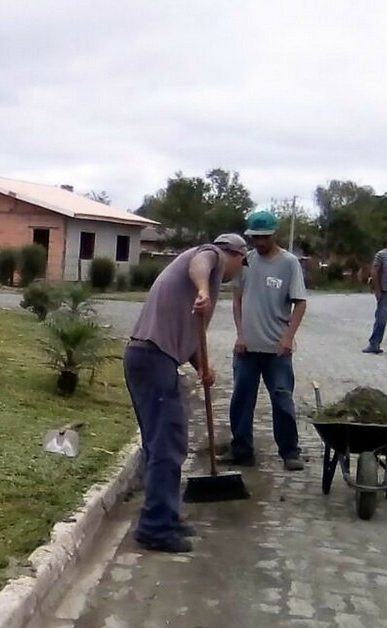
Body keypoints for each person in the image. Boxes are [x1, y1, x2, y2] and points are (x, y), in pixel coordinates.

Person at [123, 233, 248, 553]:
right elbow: (202, 260)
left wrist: (201, 366)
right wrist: (205, 289)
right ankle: (155, 528)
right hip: (153, 358)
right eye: (242, 262)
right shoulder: (211, 258)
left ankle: (165, 515)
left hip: (148, 357)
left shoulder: (198, 277)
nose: (238, 269)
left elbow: (190, 335)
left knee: (160, 445)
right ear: (234, 254)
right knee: (168, 444)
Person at [219, 210, 309, 472]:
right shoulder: (245, 262)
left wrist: (288, 338)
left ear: (274, 234)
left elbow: (300, 303)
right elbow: (237, 299)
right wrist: (240, 334)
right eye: (254, 237)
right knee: (241, 400)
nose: (258, 242)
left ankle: (290, 451)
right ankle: (242, 450)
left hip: (276, 351)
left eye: (263, 237)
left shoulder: (289, 263)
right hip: (246, 349)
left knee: (282, 400)